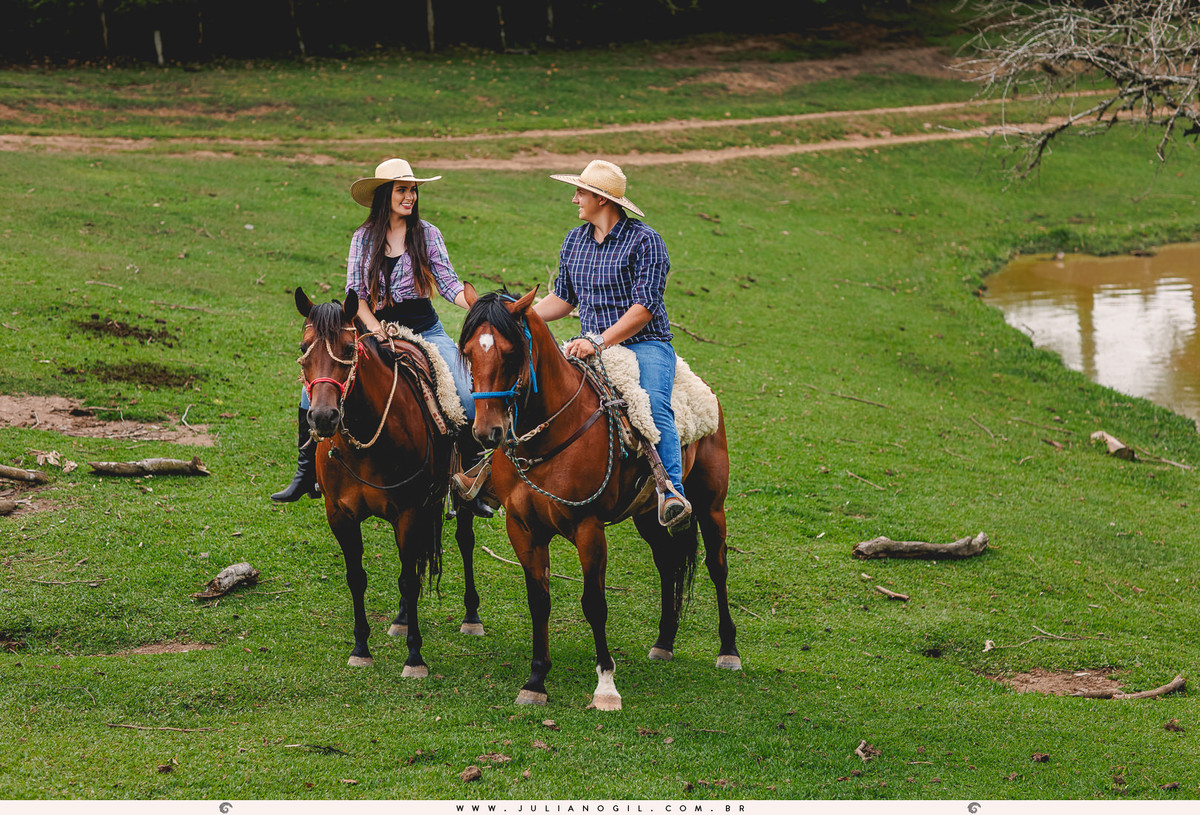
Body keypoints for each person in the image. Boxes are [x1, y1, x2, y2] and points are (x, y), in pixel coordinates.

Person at [272, 158, 479, 505]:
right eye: (402, 190)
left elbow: (447, 284)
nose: (410, 197)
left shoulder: (427, 233)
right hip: (373, 329)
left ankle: (467, 481)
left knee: (466, 397)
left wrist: (473, 304)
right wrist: (376, 331)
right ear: (385, 195)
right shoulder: (363, 239)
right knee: (313, 391)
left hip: (425, 329)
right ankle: (305, 472)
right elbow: (357, 296)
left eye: (412, 190)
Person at [532, 159, 691, 528]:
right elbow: (565, 298)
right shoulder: (574, 240)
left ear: (602, 200)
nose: (575, 199)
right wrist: (523, 316)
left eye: (581, 193)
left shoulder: (645, 241)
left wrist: (599, 342)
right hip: (590, 343)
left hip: (644, 344)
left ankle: (671, 492)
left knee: (651, 404)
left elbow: (645, 307)